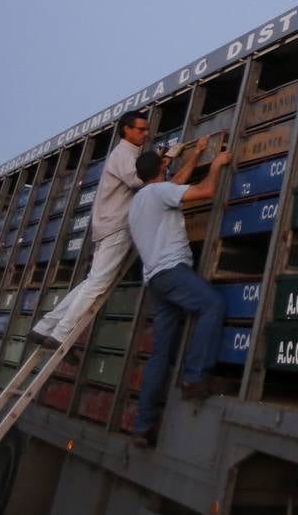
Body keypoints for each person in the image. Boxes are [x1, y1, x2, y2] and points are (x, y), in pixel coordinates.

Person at [28, 111, 205, 354]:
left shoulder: (129, 155)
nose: (145, 134)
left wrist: (163, 162)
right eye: (140, 129)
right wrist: (167, 162)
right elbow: (142, 181)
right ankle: (60, 333)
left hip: (107, 225)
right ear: (126, 130)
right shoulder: (123, 153)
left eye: (146, 129)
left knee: (92, 281)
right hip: (117, 226)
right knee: (98, 284)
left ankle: (44, 325)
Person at [127, 146, 231, 448]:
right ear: (161, 169)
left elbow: (175, 182)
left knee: (160, 355)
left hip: (155, 280)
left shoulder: (139, 201)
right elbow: (206, 191)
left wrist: (197, 155)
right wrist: (218, 164)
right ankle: (194, 376)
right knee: (213, 304)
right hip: (172, 271)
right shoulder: (160, 192)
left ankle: (143, 427)